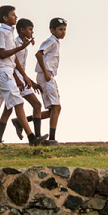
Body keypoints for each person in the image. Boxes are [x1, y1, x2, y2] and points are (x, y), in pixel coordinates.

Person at [0, 6, 48, 148]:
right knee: (18, 103)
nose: (16, 17)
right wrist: (21, 47)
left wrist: (24, 75)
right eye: (13, 15)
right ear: (5, 18)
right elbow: (2, 54)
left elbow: (14, 59)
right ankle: (31, 137)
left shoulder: (10, 34)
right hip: (2, 71)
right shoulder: (0, 33)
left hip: (5, 71)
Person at [0, 18, 50, 145]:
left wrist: (28, 80)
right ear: (22, 30)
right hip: (13, 79)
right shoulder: (15, 43)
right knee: (8, 109)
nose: (32, 32)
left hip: (22, 79)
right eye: (30, 29)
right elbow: (10, 63)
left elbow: (21, 67)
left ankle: (37, 136)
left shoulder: (24, 45)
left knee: (36, 105)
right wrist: (19, 79)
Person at [33, 17, 67, 145]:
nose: (63, 32)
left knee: (53, 110)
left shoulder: (56, 42)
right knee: (56, 107)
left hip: (48, 76)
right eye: (60, 30)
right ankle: (51, 139)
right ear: (52, 30)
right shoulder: (51, 41)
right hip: (46, 76)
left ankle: (23, 121)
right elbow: (39, 54)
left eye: (64, 30)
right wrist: (46, 72)